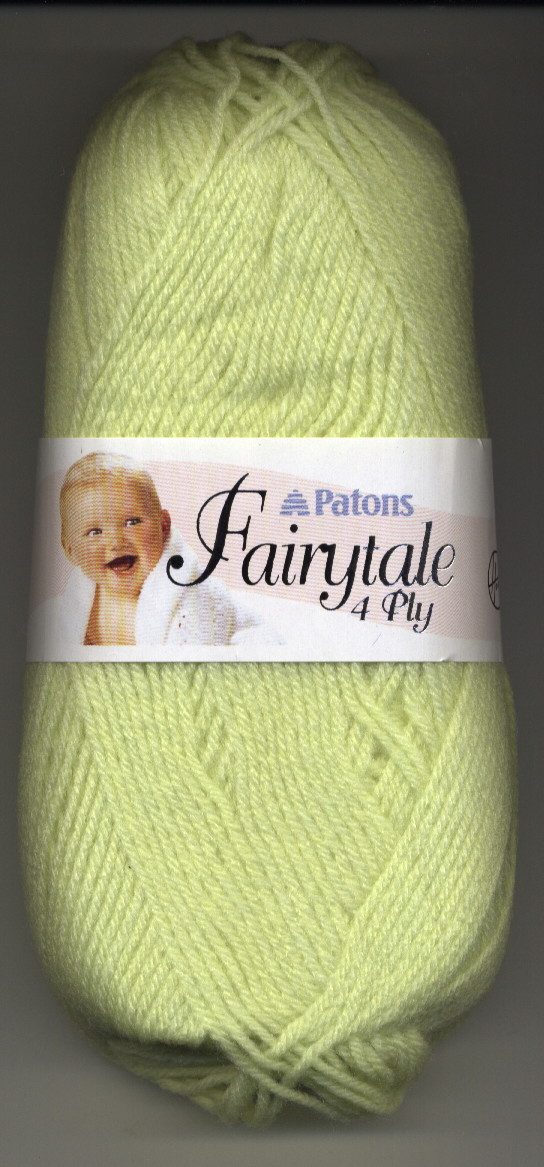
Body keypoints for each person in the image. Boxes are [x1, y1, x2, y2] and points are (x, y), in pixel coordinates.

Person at [29, 451, 281, 651]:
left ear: (163, 525)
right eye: (95, 532)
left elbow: (197, 657)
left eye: (132, 522)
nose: (115, 541)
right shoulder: (74, 609)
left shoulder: (192, 593)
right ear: (70, 550)